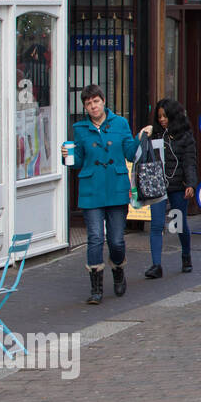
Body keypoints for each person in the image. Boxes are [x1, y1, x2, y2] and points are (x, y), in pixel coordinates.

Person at [64, 84, 141, 304]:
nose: (93, 106)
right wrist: (66, 157)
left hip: (116, 187)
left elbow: (129, 153)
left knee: (116, 240)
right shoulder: (79, 128)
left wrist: (138, 139)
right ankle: (96, 288)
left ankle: (118, 270)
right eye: (88, 104)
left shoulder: (120, 123)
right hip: (91, 190)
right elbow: (77, 161)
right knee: (95, 237)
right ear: (85, 107)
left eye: (96, 102)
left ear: (103, 101)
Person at [140, 98, 200, 279]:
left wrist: (190, 184)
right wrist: (143, 134)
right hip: (156, 185)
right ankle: (156, 265)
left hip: (177, 186)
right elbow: (138, 152)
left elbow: (189, 161)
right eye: (159, 117)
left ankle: (186, 255)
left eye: (165, 116)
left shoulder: (184, 136)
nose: (162, 120)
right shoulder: (154, 135)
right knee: (156, 225)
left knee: (178, 224)